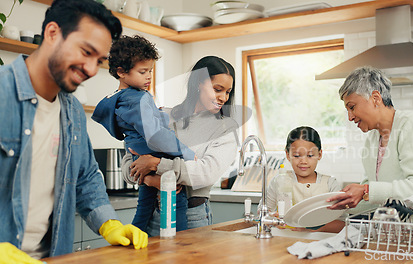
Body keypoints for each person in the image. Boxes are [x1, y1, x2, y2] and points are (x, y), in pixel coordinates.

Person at [0, 0, 148, 262]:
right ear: (53, 33)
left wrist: (109, 223)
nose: (91, 69)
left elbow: (85, 178)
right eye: (85, 52)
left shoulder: (73, 112)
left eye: (99, 60)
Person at [121, 56, 239, 236]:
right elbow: (131, 158)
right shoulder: (163, 116)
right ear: (199, 83)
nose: (223, 97)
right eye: (217, 89)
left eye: (227, 92)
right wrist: (148, 180)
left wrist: (156, 164)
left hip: (192, 217)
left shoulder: (225, 130)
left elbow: (205, 173)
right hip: (151, 213)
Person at [91, 35, 195, 234]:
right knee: (177, 201)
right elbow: (156, 135)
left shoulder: (119, 99)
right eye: (143, 71)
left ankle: (134, 240)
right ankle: (182, 243)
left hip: (140, 156)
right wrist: (186, 153)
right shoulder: (137, 99)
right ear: (121, 72)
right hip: (158, 155)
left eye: (151, 71)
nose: (149, 76)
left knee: (144, 207)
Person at [326, 66, 413, 212]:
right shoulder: (372, 139)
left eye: (352, 107)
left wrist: (366, 190)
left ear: (375, 98)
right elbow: (372, 198)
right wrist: (336, 207)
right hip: (398, 231)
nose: (350, 117)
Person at [264, 126, 345, 233]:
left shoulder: (330, 183)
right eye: (297, 156)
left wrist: (312, 231)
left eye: (310, 155)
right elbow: (264, 214)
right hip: (285, 240)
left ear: (319, 154)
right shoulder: (279, 181)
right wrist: (272, 217)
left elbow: (342, 223)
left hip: (320, 242)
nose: (303, 161)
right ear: (288, 155)